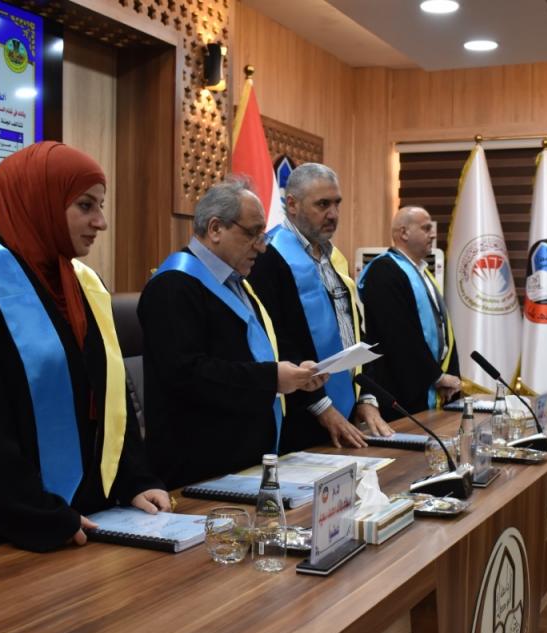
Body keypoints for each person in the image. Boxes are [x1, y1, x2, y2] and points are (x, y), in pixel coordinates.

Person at [0, 142, 169, 566]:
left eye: (101, 206)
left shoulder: (83, 285)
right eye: (85, 206)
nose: (101, 221)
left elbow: (111, 397)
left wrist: (135, 479)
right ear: (39, 203)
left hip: (81, 524)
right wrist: (40, 514)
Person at [138, 180, 325, 489]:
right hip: (198, 474)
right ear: (215, 229)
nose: (262, 247)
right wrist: (272, 378)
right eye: (253, 234)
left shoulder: (238, 282)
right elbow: (187, 374)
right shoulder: (172, 286)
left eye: (263, 235)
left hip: (246, 464)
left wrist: (295, 375)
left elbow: (251, 354)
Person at [248, 163, 393, 451]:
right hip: (300, 416)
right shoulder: (268, 257)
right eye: (323, 204)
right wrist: (321, 406)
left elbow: (352, 331)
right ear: (292, 204)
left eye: (337, 203)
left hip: (346, 413)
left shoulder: (332, 256)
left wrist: (366, 396)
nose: (334, 214)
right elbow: (275, 340)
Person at [358, 206, 461, 420]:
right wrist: (436, 377)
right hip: (401, 391)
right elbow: (398, 334)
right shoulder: (384, 271)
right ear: (404, 232)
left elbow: (443, 330)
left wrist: (448, 375)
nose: (433, 234)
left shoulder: (423, 273)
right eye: (426, 228)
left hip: (431, 388)